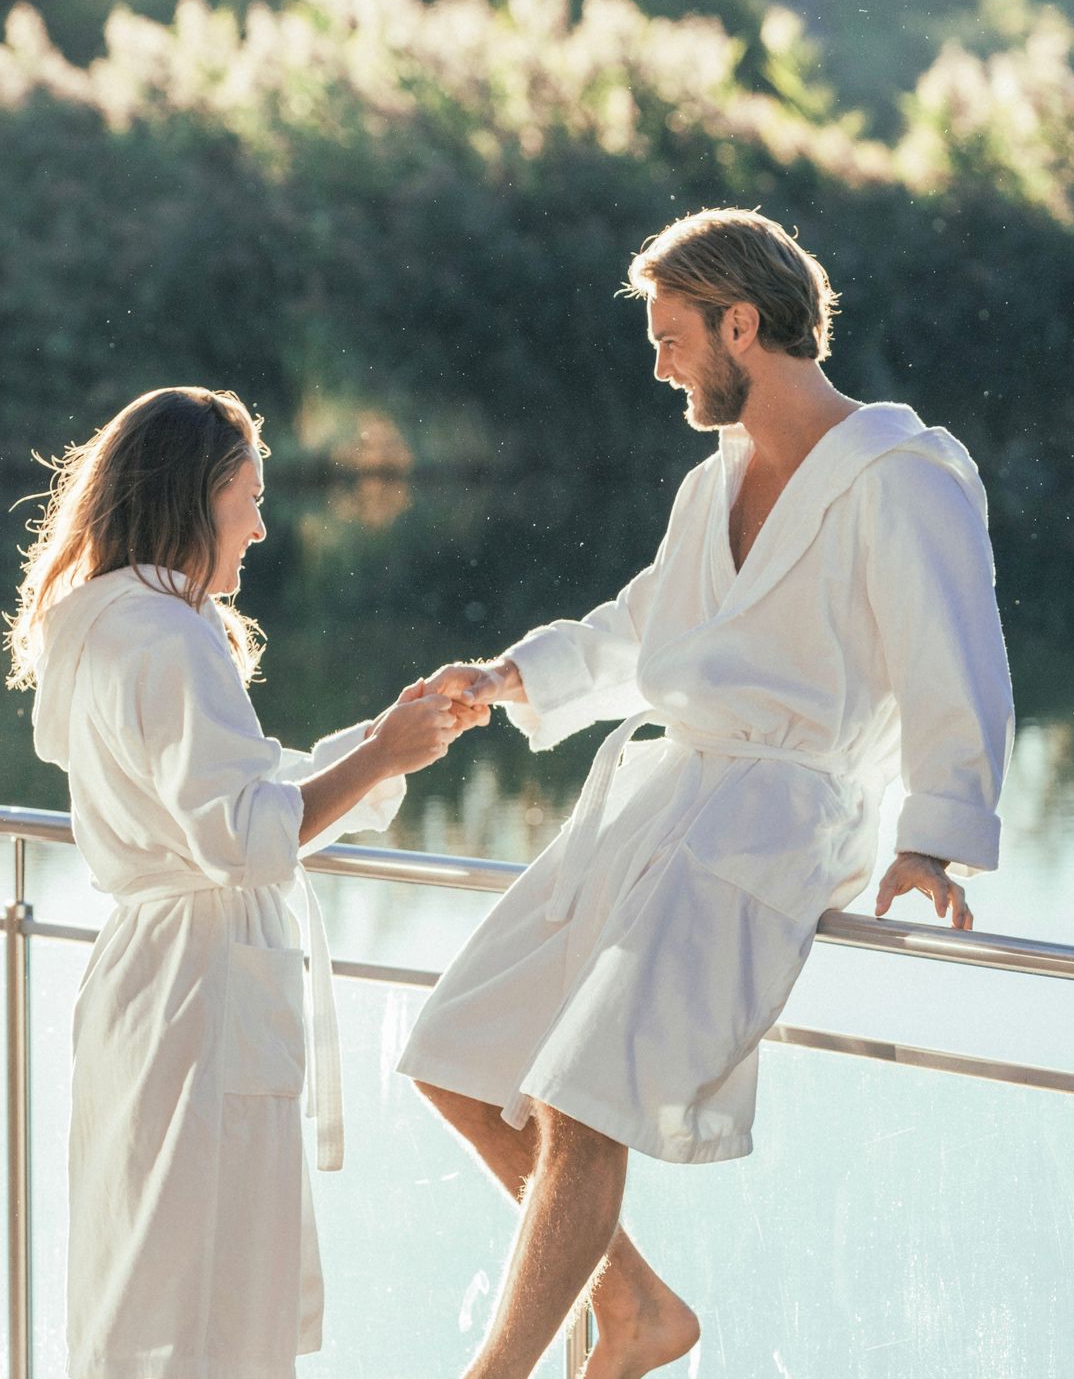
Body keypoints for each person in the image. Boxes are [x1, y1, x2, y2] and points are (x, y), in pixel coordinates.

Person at [397, 209, 1016, 1379]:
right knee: (458, 1053)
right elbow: (644, 626)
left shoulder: (901, 476)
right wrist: (513, 674)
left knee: (584, 1101)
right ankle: (635, 1311)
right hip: (663, 794)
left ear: (743, 325)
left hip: (778, 813)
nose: (659, 364)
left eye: (671, 336)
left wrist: (934, 836)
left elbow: (958, 660)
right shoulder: (712, 484)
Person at [6, 386, 481, 1379]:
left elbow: (234, 789)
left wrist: (384, 742)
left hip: (146, 981)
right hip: (203, 991)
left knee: (143, 1276)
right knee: (210, 1289)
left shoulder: (99, 625)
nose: (262, 526)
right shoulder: (173, 636)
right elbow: (246, 832)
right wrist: (381, 755)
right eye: (250, 499)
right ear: (195, 493)